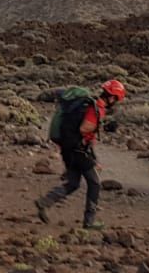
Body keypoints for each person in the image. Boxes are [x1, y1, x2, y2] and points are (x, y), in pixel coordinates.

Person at [36, 79, 126, 228]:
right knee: (95, 183)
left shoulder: (88, 105)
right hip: (77, 150)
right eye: (116, 100)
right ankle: (89, 222)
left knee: (73, 183)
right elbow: (84, 129)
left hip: (67, 148)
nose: (115, 103)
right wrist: (95, 129)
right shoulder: (96, 108)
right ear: (112, 97)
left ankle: (44, 202)